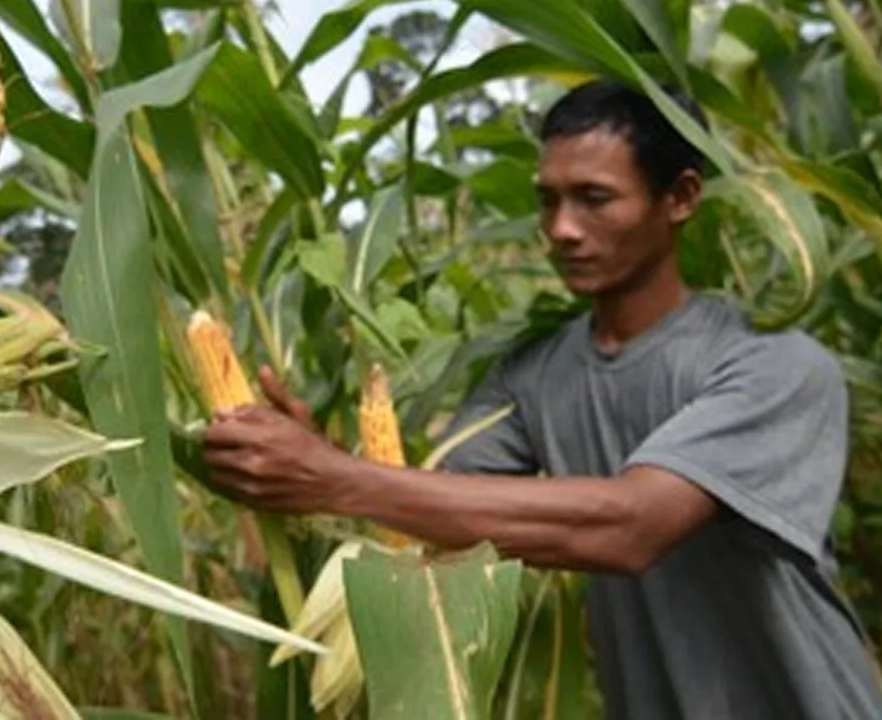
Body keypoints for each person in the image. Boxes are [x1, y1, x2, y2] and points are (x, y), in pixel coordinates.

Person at [201, 78, 882, 719]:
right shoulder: (531, 379)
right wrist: (315, 455)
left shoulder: (776, 368)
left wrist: (334, 476)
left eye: (594, 198)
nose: (560, 228)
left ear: (680, 197)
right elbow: (424, 507)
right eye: (548, 199)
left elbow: (634, 525)